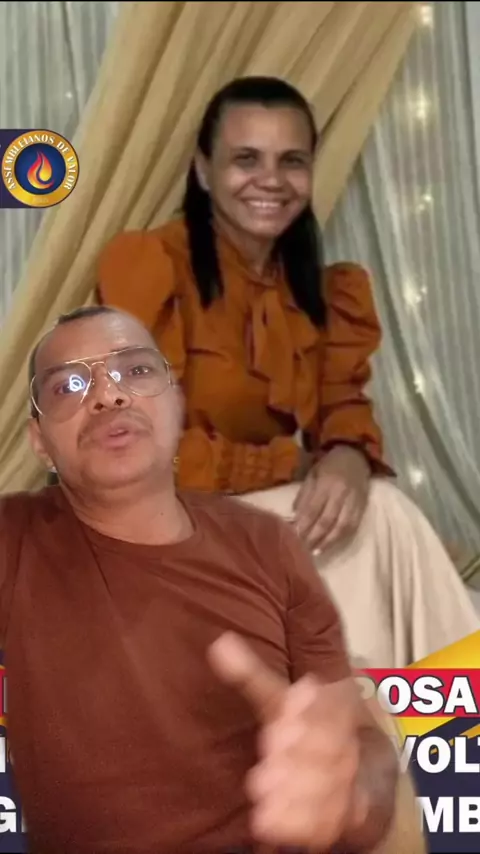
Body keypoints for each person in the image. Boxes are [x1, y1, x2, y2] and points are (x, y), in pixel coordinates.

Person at [0, 304, 421, 854]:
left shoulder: (268, 542)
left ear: (176, 401)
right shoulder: (14, 540)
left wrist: (353, 789)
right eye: (69, 386)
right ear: (39, 441)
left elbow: (354, 733)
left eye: (135, 370)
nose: (108, 394)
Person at [96, 75, 479, 669]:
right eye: (246, 159)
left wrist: (348, 457)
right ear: (203, 170)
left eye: (291, 161)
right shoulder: (151, 267)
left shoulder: (321, 290)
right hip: (156, 526)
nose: (271, 180)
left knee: (374, 514)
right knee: (384, 523)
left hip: (252, 517)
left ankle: (411, 704)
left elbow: (342, 407)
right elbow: (137, 454)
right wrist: (293, 465)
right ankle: (437, 704)